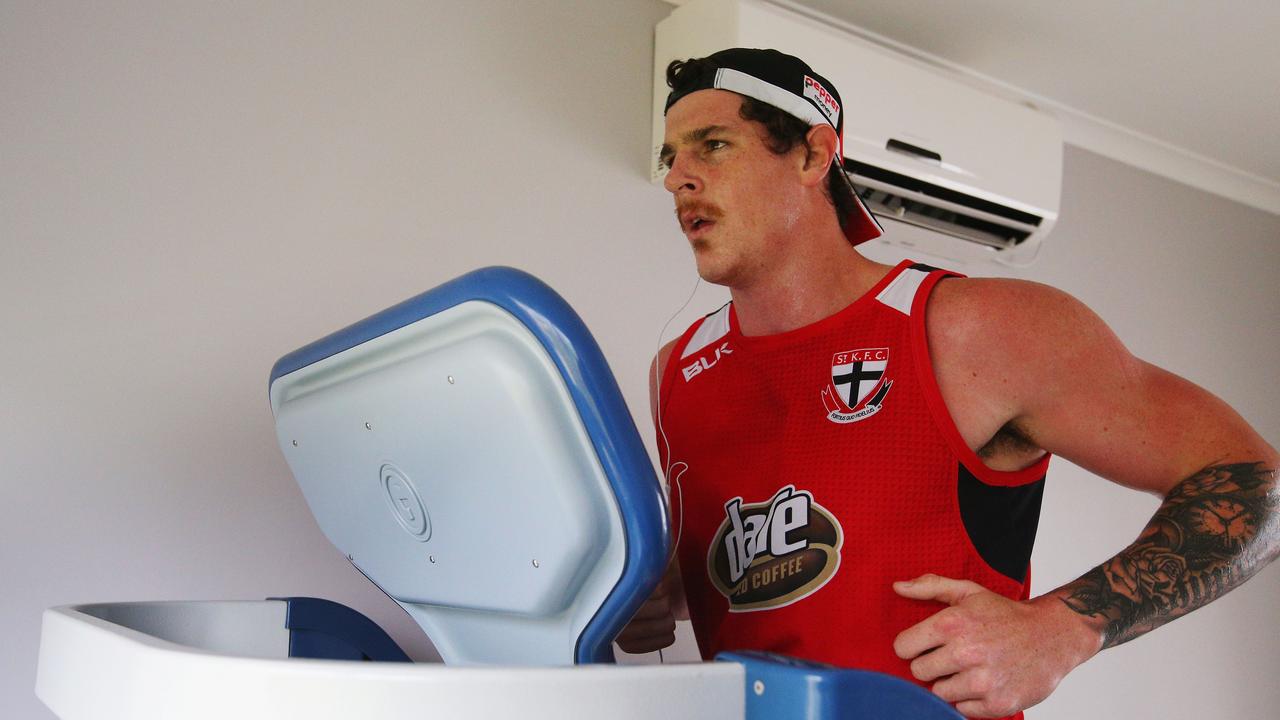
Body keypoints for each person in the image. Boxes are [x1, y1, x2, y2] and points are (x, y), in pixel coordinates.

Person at [614, 48, 1279, 719]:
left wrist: (1066, 628)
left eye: (714, 145)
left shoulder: (974, 327)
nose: (679, 178)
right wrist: (648, 590)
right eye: (672, 157)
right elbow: (767, 563)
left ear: (814, 156)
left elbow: (1259, 483)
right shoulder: (677, 370)